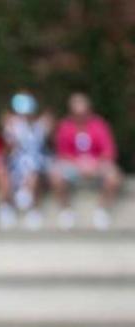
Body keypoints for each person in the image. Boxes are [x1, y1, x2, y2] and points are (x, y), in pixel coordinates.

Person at [49, 92, 122, 230]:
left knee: (114, 176)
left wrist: (94, 162)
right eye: (76, 114)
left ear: (89, 110)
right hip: (72, 165)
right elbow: (61, 152)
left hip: (97, 164)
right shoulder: (65, 126)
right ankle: (66, 211)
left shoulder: (99, 125)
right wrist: (78, 162)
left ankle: (102, 211)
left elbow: (109, 150)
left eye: (83, 113)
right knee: (56, 175)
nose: (80, 117)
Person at [2, 92, 53, 230]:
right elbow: (10, 148)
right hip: (17, 163)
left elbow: (44, 145)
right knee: (10, 173)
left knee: (33, 170)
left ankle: (30, 202)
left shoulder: (41, 125)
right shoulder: (13, 125)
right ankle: (10, 206)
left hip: (38, 162)